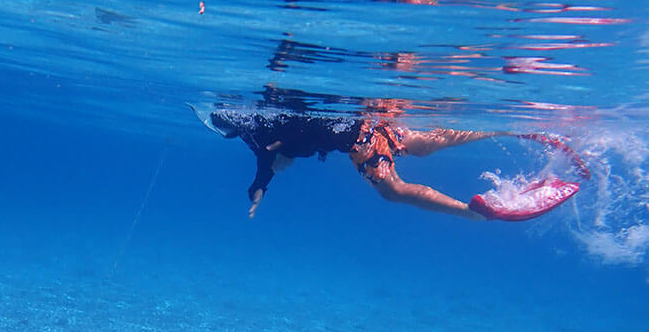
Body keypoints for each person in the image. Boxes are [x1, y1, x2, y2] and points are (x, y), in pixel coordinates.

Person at [199, 108, 585, 221]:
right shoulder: (260, 132)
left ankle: (472, 213)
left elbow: (268, 161)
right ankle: (512, 127)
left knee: (392, 190)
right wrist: (259, 188)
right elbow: (265, 166)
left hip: (357, 138)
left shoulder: (262, 134)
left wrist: (260, 187)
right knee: (424, 144)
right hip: (369, 125)